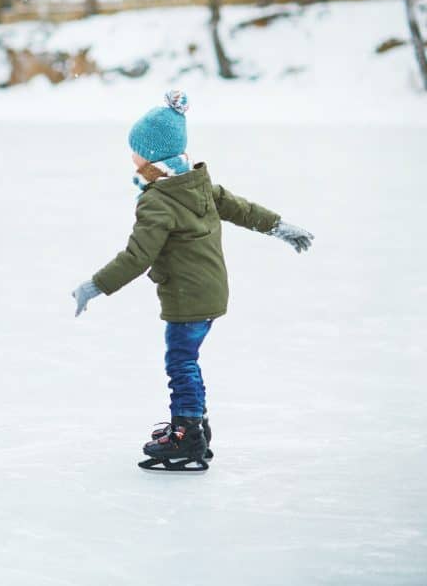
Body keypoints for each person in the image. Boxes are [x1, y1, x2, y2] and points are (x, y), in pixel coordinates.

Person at [70, 90, 314, 472]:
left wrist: (95, 285)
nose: (132, 157)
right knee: (187, 361)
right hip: (208, 289)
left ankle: (187, 435)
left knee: (181, 362)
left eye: (136, 151)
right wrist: (279, 227)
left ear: (151, 156)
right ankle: (194, 424)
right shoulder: (195, 184)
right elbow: (243, 209)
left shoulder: (158, 200)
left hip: (187, 296)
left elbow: (138, 256)